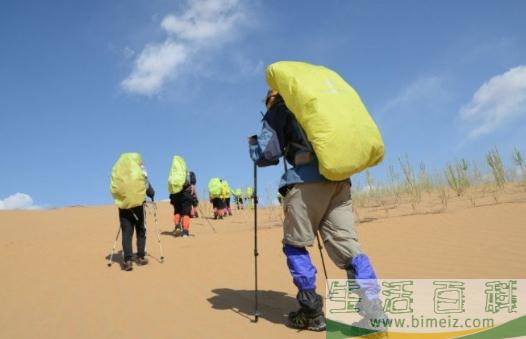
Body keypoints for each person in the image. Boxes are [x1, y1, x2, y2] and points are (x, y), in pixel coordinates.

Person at [249, 90, 385, 332]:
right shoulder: (321, 103)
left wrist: (253, 146)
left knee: (295, 244)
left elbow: (268, 154)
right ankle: (373, 308)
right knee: (349, 249)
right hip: (339, 181)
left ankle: (311, 313)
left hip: (305, 183)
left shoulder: (279, 109)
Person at [119, 161, 155, 271]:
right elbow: (150, 192)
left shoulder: (121, 177)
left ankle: (128, 260)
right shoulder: (141, 175)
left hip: (124, 207)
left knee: (126, 233)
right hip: (138, 206)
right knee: (140, 231)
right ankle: (140, 257)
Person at [169, 170, 196, 238]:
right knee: (186, 213)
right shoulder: (189, 173)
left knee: (177, 211)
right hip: (186, 195)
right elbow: (193, 184)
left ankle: (177, 226)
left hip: (175, 195)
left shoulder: (173, 173)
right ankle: (185, 231)